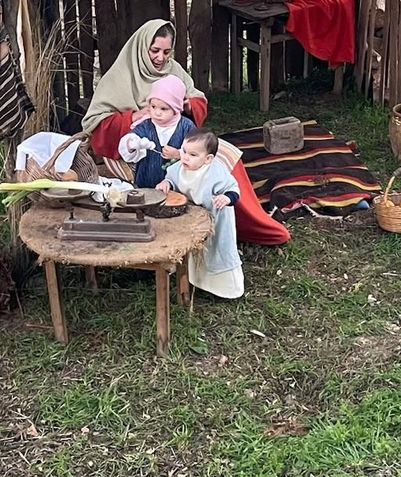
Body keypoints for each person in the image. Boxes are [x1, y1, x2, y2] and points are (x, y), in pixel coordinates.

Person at [83, 19, 289, 246]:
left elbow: (198, 99)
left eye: (166, 52)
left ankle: (245, 223)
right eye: (154, 51)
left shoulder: (173, 70)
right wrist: (134, 117)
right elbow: (95, 124)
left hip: (177, 139)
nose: (160, 58)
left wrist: (187, 105)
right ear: (141, 47)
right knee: (185, 170)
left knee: (224, 157)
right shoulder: (119, 76)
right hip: (133, 148)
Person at [158, 128, 243, 299]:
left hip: (216, 218)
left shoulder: (215, 172)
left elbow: (233, 188)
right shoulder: (180, 167)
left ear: (208, 158)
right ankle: (197, 281)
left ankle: (225, 289)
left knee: (215, 249)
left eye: (193, 155)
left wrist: (226, 198)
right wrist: (166, 183)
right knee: (194, 248)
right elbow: (172, 179)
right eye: (183, 151)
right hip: (193, 219)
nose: (185, 157)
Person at [118, 76, 195, 191]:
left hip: (177, 188)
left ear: (176, 109)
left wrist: (179, 154)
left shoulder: (186, 127)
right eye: (153, 107)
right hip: (145, 184)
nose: (157, 113)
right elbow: (130, 139)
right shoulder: (145, 125)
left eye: (164, 109)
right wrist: (132, 144)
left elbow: (197, 152)